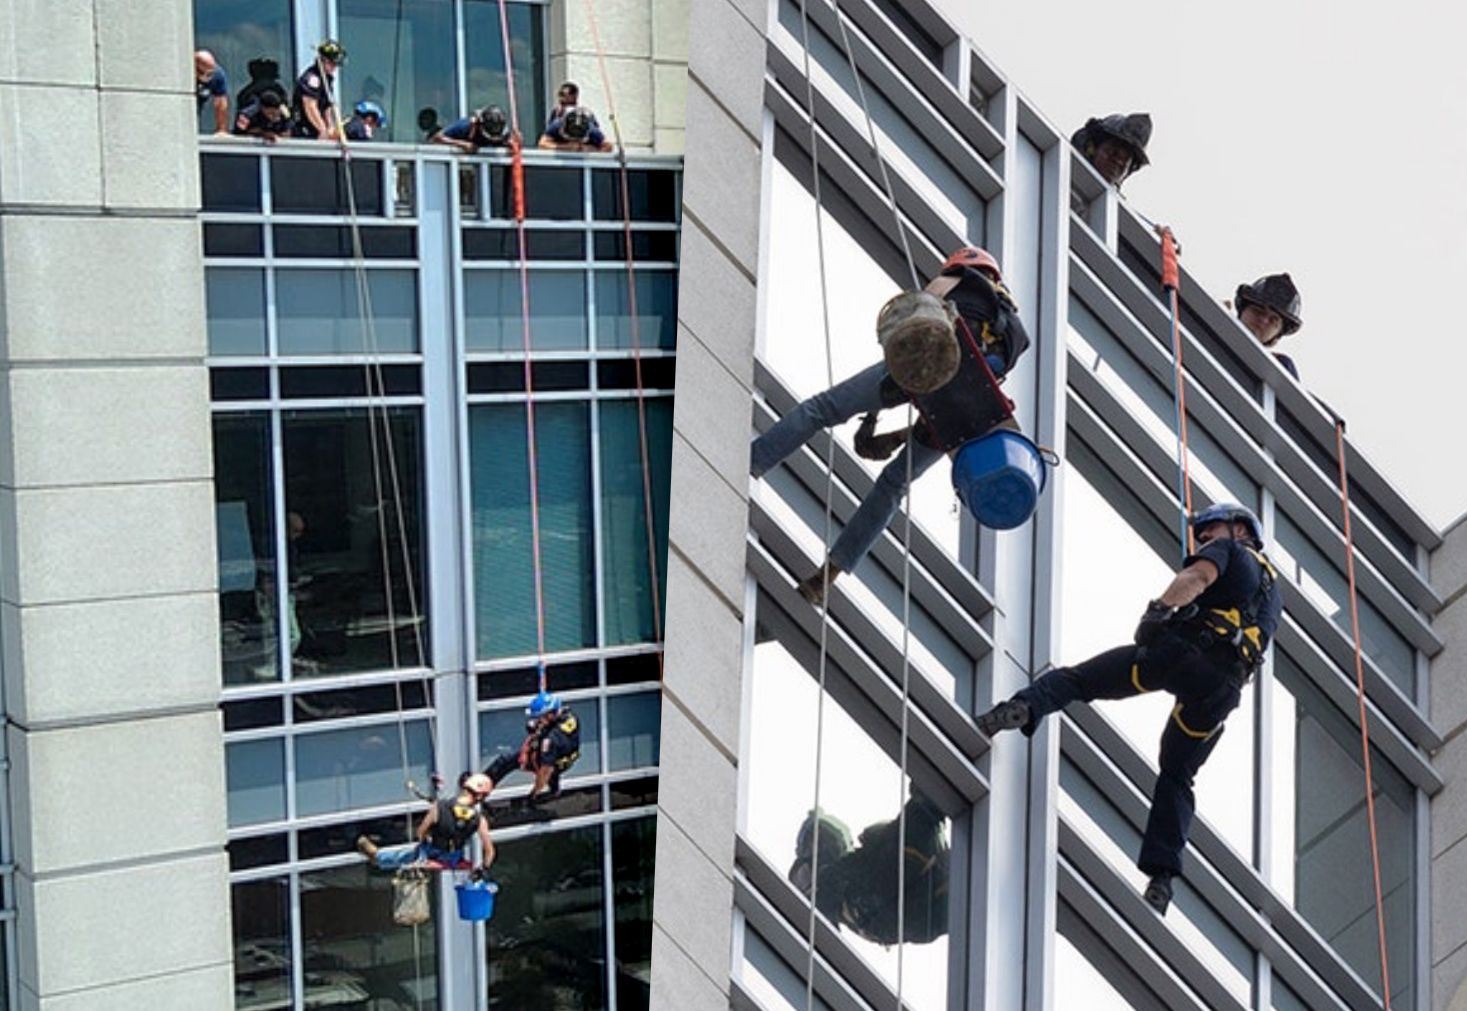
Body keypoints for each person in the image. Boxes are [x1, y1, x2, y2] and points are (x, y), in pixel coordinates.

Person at [977, 503, 1283, 915]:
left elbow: (1197, 577)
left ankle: (1019, 709)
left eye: (1210, 531)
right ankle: (1162, 877)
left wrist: (1159, 610)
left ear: (1240, 530)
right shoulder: (1274, 594)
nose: (1204, 540)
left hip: (1183, 655)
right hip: (1220, 692)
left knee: (1079, 680)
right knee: (1177, 775)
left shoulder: (1230, 552)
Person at [750, 246, 1030, 603]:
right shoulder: (1014, 332)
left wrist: (871, 413)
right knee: (894, 484)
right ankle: (828, 576)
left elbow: (920, 313)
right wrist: (893, 435)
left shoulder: (960, 277)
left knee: (821, 409)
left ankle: (751, 461)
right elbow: (954, 390)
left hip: (929, 359)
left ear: (962, 264)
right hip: (967, 408)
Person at [787, 794, 949, 945]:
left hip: (918, 902)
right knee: (927, 801)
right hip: (899, 902)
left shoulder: (855, 866)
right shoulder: (828, 882)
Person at [357, 773, 496, 873]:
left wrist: (425, 839)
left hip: (432, 852)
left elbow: (420, 832)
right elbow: (489, 852)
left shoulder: (439, 807)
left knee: (405, 856)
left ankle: (375, 855)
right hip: (453, 858)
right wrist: (482, 870)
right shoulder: (479, 819)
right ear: (480, 796)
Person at [484, 691, 581, 802]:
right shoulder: (571, 717)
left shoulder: (549, 741)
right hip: (566, 756)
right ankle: (553, 790)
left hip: (552, 763)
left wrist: (534, 793)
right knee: (552, 765)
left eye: (540, 717)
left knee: (504, 761)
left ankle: (482, 784)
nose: (538, 720)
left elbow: (545, 770)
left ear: (550, 715)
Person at [1233, 273, 1303, 380]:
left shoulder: (1280, 368)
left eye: (1273, 320)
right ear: (1242, 310)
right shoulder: (1212, 330)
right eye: (1257, 311)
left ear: (1277, 334)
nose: (1263, 320)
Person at [1071, 112, 1152, 189]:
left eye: (1124, 162)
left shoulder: (1109, 199)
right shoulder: (1065, 175)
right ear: (1092, 148)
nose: (1118, 162)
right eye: (1114, 153)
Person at [292, 39, 346, 140]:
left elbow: (326, 106)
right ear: (323, 60)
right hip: (304, 131)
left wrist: (330, 127)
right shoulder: (312, 79)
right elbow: (310, 106)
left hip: (316, 133)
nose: (334, 67)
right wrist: (322, 129)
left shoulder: (326, 79)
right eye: (332, 63)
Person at [431, 105, 513, 152]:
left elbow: (510, 143)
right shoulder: (465, 126)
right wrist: (462, 144)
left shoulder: (502, 132)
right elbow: (437, 138)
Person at [539, 105, 613, 152]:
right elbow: (542, 144)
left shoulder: (592, 130)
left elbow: (608, 146)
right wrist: (565, 147)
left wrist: (590, 149)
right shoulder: (556, 125)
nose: (574, 141)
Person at [195, 50, 230, 135]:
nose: (206, 77)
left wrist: (221, 130)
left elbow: (221, 103)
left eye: (210, 73)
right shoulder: (182, 75)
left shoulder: (217, 75)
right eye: (202, 73)